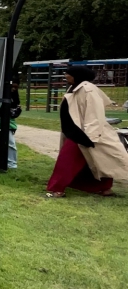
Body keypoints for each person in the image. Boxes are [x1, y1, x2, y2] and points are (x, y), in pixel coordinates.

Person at [45, 66, 128, 198]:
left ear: (77, 75)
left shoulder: (88, 90)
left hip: (83, 133)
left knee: (69, 161)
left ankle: (57, 189)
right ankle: (101, 188)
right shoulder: (75, 87)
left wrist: (89, 136)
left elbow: (94, 114)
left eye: (68, 73)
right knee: (94, 160)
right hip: (75, 131)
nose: (65, 75)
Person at [0, 79, 20, 169]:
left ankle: (12, 163)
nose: (13, 89)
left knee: (10, 142)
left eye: (15, 88)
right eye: (12, 87)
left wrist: (13, 112)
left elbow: (16, 108)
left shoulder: (14, 97)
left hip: (7, 121)